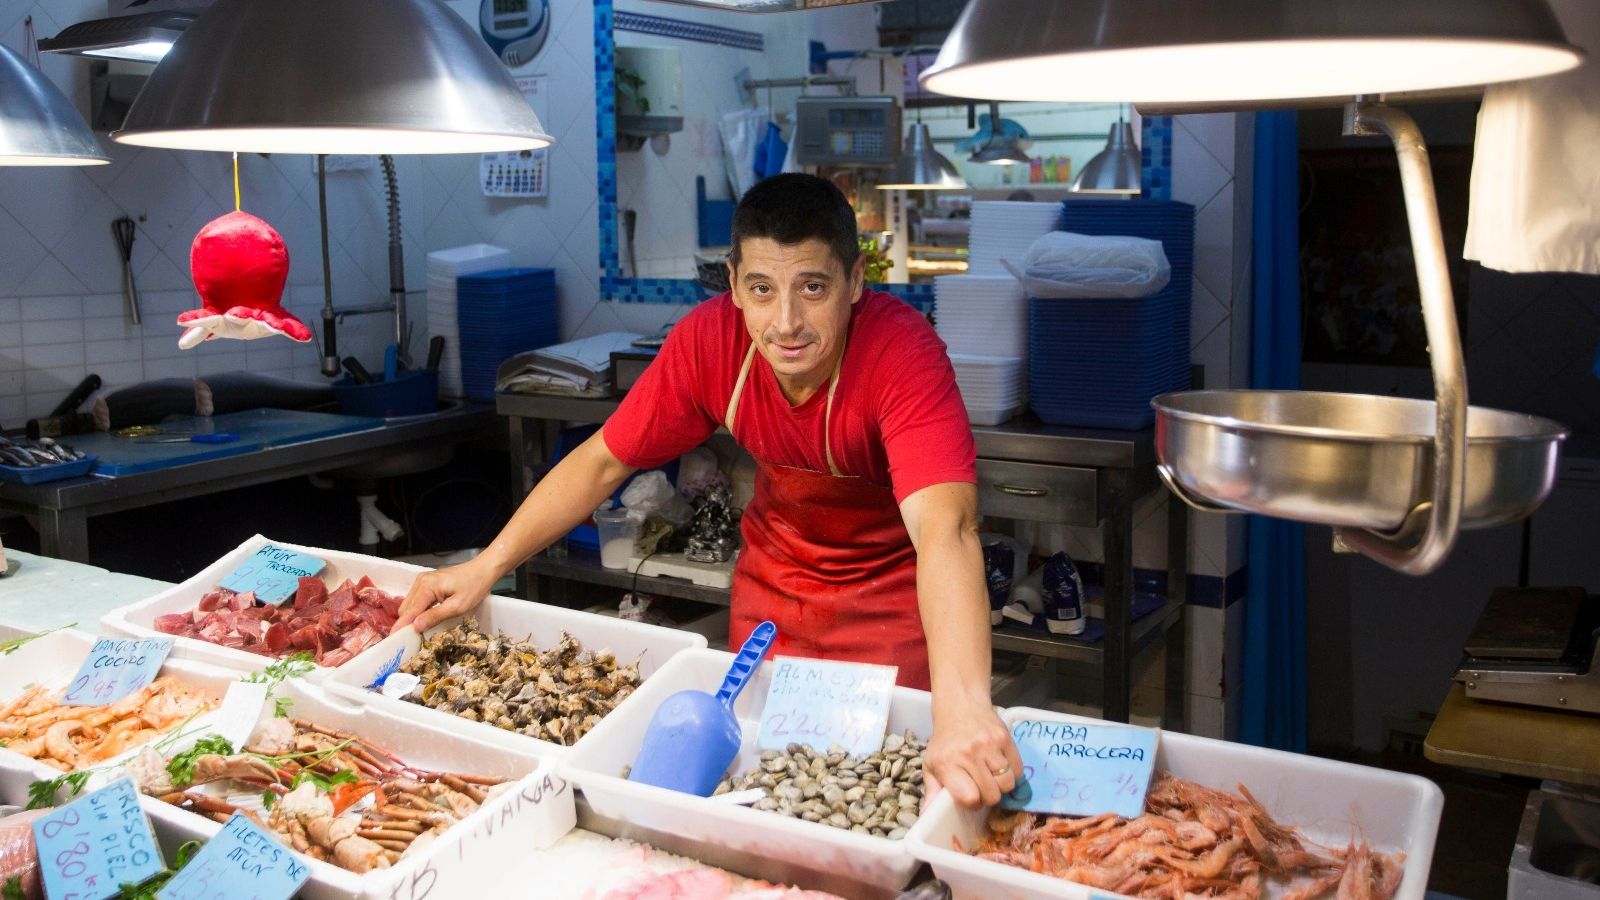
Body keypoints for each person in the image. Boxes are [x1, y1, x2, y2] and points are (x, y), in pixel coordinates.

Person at [394, 173, 1022, 808]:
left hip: (891, 618)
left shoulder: (902, 352)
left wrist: (964, 707)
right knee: (762, 796)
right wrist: (486, 565)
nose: (787, 323)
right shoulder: (709, 342)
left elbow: (947, 528)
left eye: (813, 287)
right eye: (762, 289)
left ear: (856, 281)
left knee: (883, 800)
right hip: (772, 611)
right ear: (733, 285)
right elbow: (603, 462)